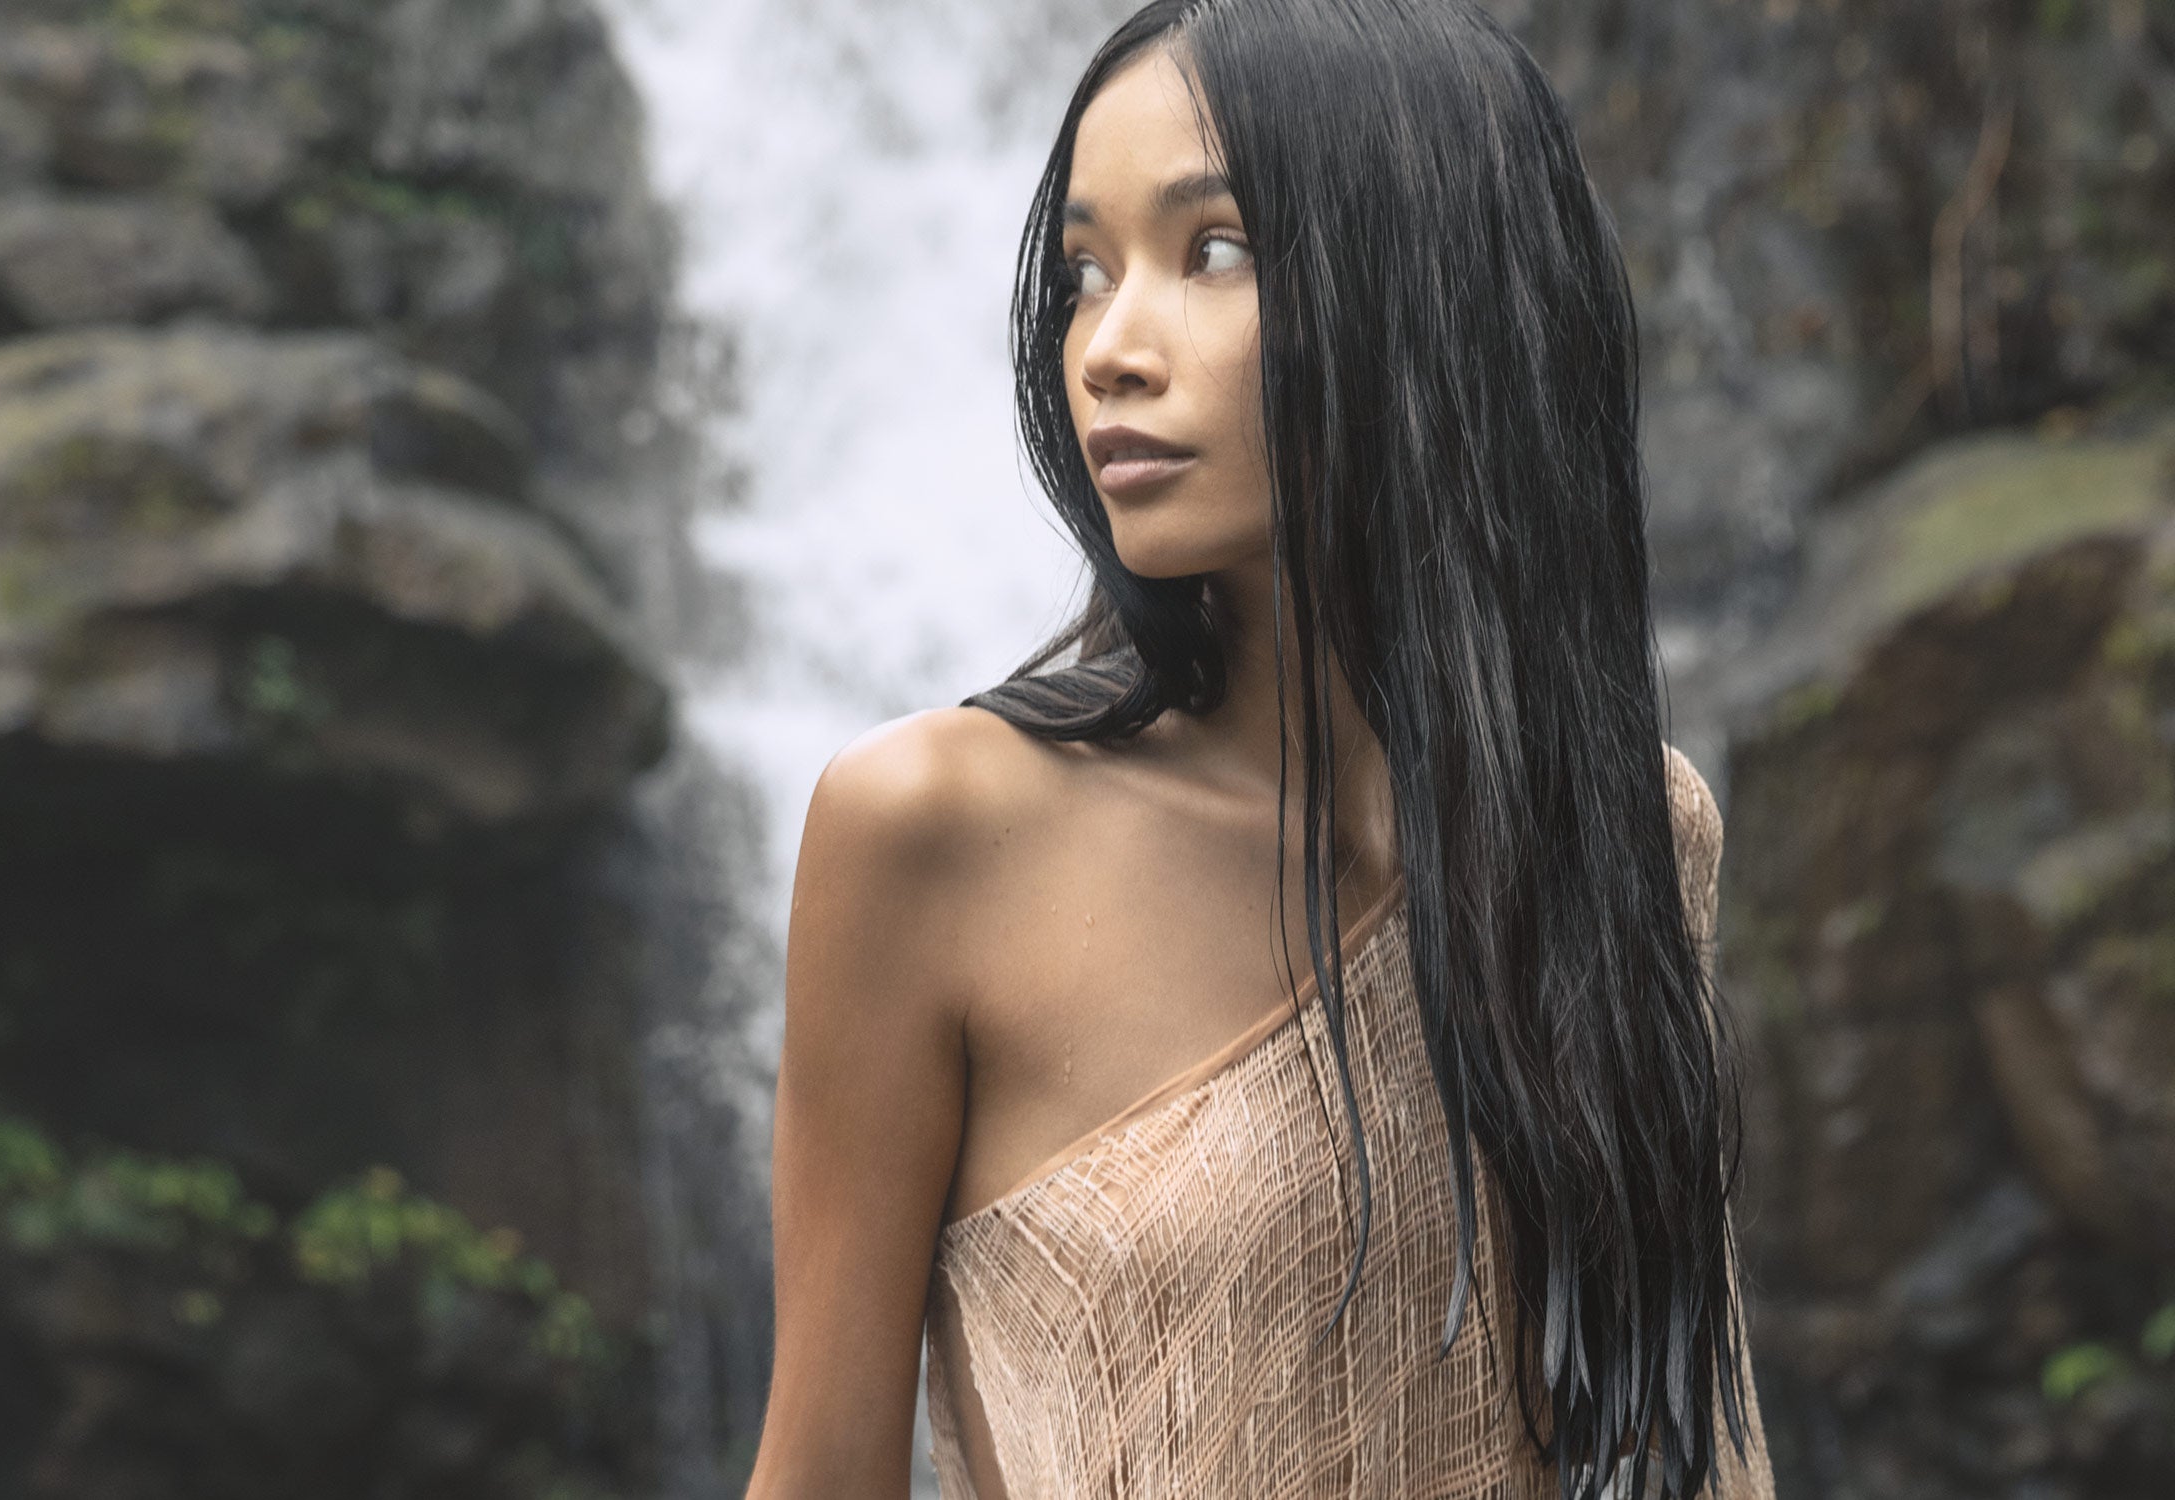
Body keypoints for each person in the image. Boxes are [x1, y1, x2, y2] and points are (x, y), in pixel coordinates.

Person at [742, 1, 1776, 1496]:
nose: (1108, 347)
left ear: (1430, 281)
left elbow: (1696, 1426)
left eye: (1210, 252)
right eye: (1084, 274)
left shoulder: (1619, 821)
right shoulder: (927, 831)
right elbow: (823, 1473)